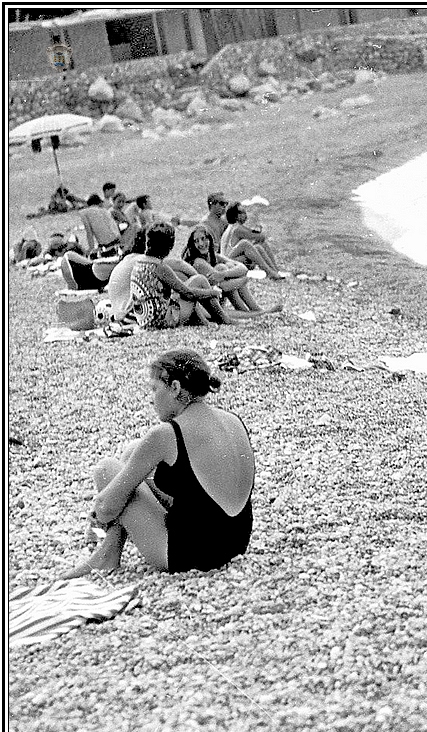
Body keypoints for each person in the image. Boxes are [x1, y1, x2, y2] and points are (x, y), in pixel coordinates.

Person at [63, 348, 254, 578]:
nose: (151, 398)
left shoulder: (167, 434)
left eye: (154, 389)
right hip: (236, 543)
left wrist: (98, 517)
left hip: (193, 554)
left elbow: (106, 508)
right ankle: (109, 552)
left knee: (107, 469)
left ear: (174, 388)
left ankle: (107, 554)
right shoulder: (232, 420)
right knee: (133, 453)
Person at [107, 223, 230, 329]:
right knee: (199, 280)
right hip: (160, 321)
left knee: (180, 292)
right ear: (169, 247)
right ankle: (225, 320)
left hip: (144, 318)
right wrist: (212, 292)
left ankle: (204, 322)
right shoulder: (160, 267)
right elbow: (188, 293)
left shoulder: (140, 262)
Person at [182, 225, 282, 316]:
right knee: (222, 267)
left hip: (218, 297)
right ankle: (255, 312)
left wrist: (224, 274)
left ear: (209, 239)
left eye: (203, 239)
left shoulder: (212, 256)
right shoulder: (198, 262)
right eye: (196, 241)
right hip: (206, 303)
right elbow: (222, 287)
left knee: (225, 267)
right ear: (192, 244)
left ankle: (254, 310)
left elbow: (242, 268)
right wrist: (243, 280)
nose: (201, 243)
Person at [222, 201, 291, 280]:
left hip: (230, 260)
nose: (245, 215)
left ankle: (275, 271)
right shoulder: (237, 229)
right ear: (235, 215)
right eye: (241, 212)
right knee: (246, 244)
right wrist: (257, 230)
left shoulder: (232, 227)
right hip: (229, 264)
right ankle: (271, 272)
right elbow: (261, 237)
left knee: (258, 247)